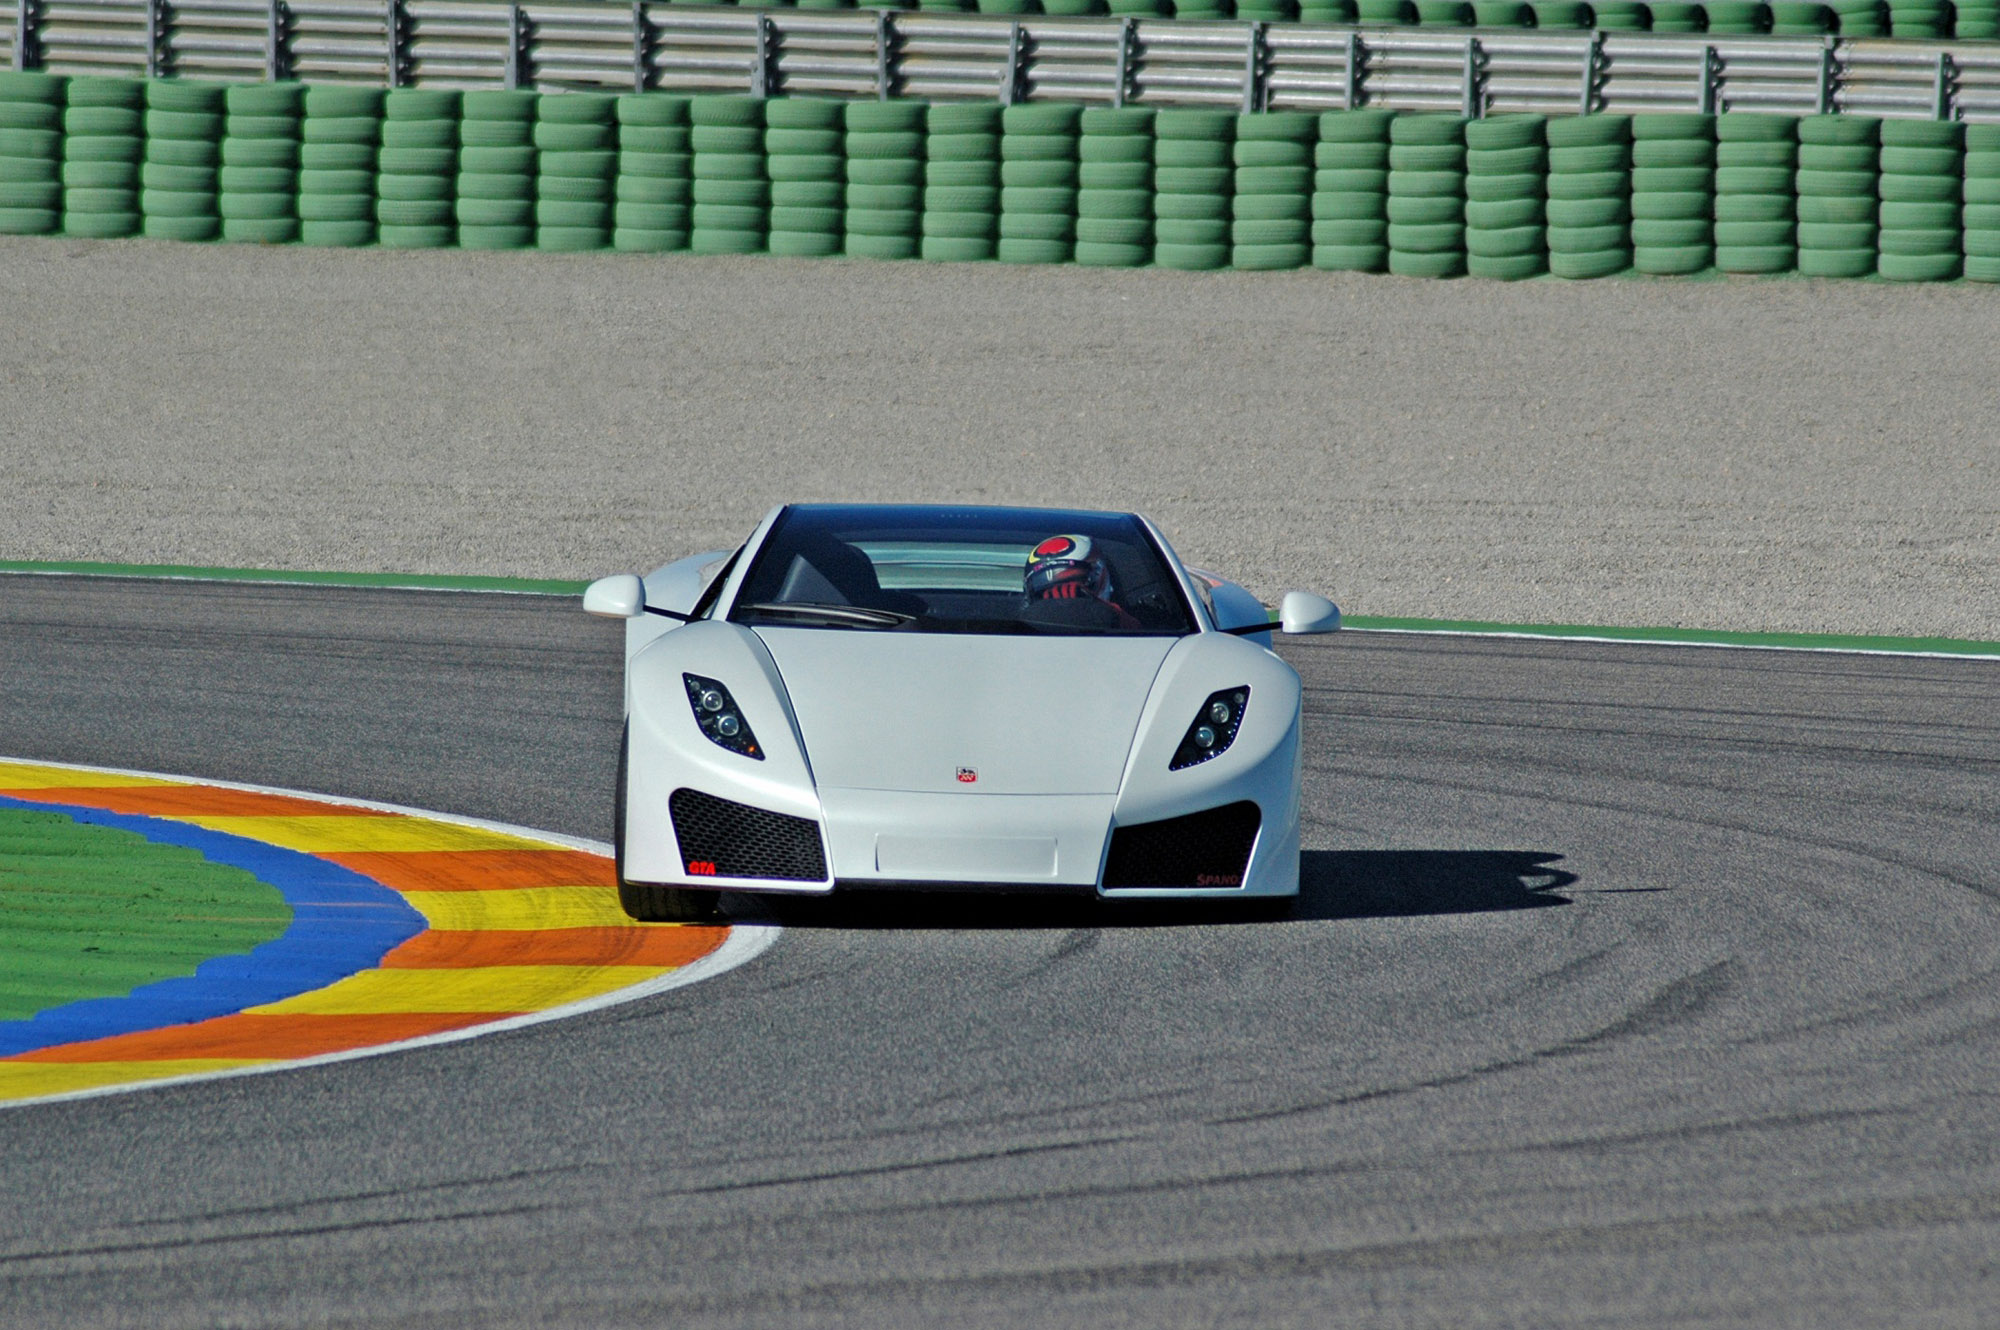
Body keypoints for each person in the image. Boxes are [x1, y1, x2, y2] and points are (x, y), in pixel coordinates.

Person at [1024, 535, 1142, 629]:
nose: (1063, 596)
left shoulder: (1129, 622)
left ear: (1099, 575)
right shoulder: (1021, 628)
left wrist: (1107, 612)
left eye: (1076, 585)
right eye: (1044, 591)